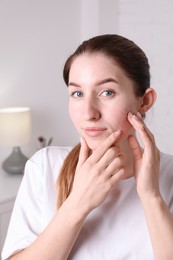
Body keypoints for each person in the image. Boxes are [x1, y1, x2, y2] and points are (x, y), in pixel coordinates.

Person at [2, 34, 173, 260]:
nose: (89, 113)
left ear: (145, 101)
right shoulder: (44, 166)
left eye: (107, 92)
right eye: (77, 94)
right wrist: (78, 203)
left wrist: (151, 197)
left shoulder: (169, 175)